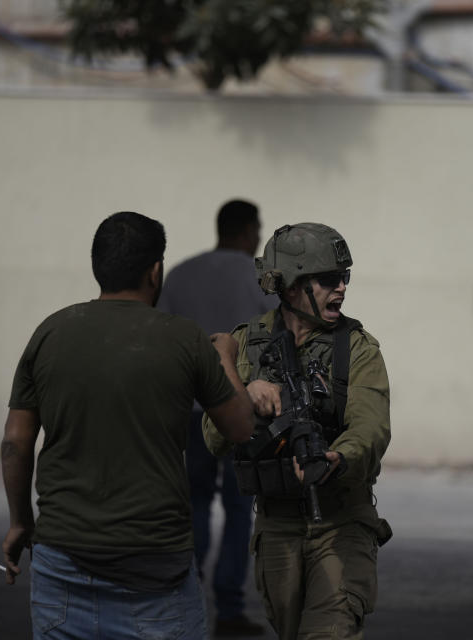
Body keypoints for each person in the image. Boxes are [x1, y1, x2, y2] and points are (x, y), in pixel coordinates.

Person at [0, 211, 254, 640]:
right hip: (155, 576)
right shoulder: (186, 339)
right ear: (155, 271)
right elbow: (241, 428)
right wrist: (225, 354)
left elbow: (15, 441)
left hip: (61, 563)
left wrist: (20, 520)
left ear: (97, 266)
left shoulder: (51, 332)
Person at [203, 223, 392, 640]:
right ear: (289, 287)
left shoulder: (356, 347)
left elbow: (371, 426)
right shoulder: (245, 345)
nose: (341, 288)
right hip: (277, 528)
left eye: (345, 277)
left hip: (342, 523)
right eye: (328, 280)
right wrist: (243, 395)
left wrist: (336, 459)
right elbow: (214, 439)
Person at [159, 199, 276, 637]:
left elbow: (162, 342)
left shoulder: (182, 274)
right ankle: (228, 609)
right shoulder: (260, 278)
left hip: (190, 412)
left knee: (193, 504)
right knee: (239, 507)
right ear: (247, 230)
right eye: (258, 229)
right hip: (244, 413)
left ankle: (187, 600)